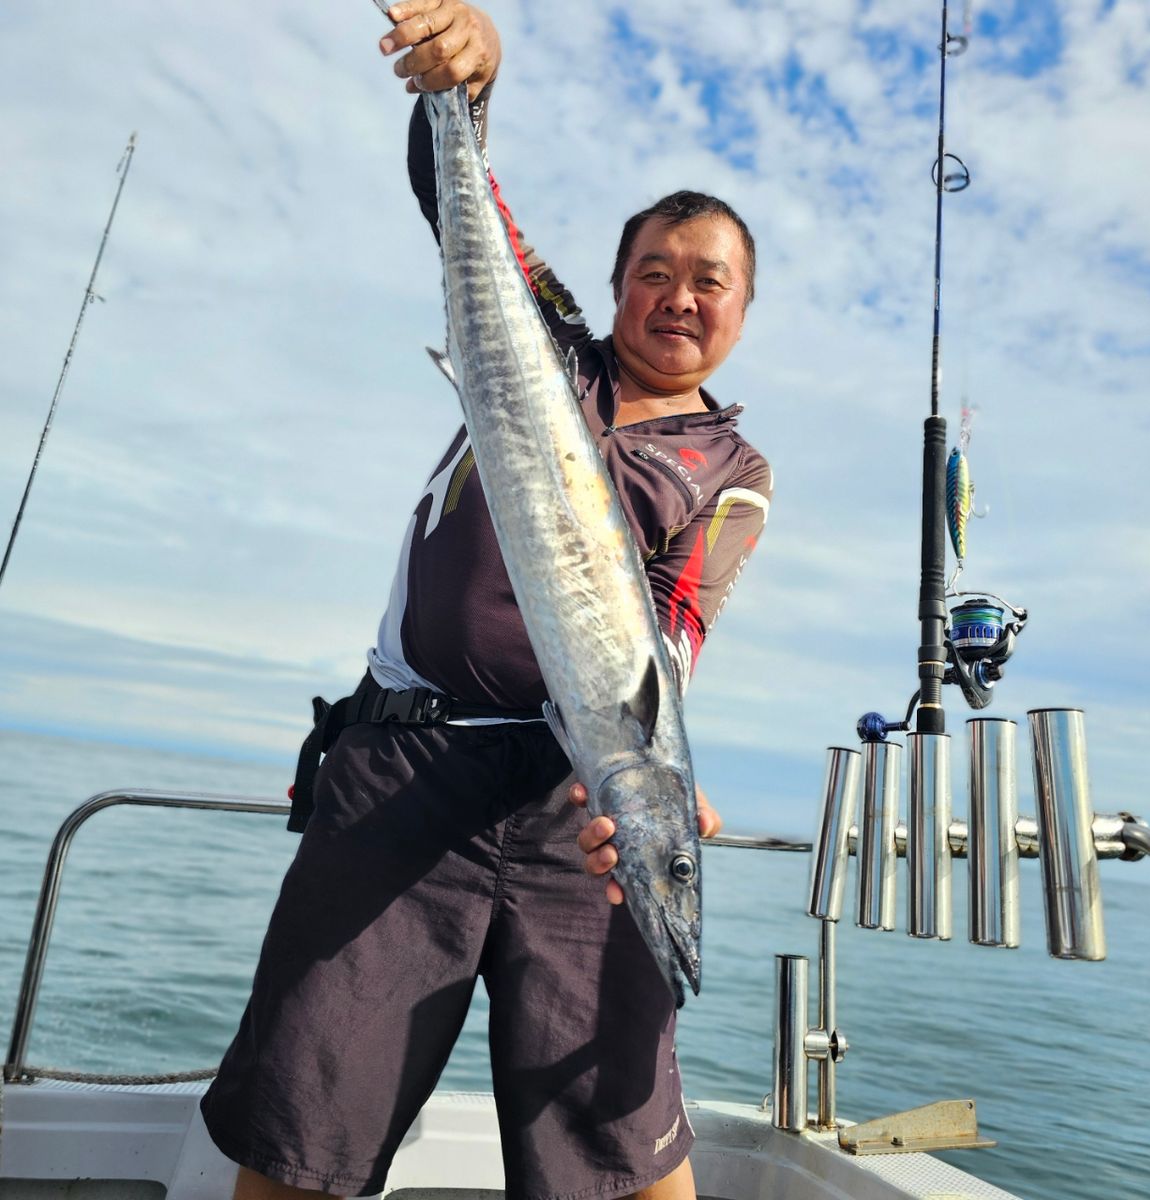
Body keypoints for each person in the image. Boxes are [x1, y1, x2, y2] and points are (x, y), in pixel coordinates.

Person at [200, 3, 773, 1198]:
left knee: (619, 1149)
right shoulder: (546, 342)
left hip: (583, 819)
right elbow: (456, 191)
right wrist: (471, 77)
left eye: (707, 280)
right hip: (404, 776)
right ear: (613, 289)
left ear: (741, 310)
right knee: (302, 1121)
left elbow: (672, 630)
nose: (678, 296)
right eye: (653, 272)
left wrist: (647, 778)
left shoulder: (734, 474)